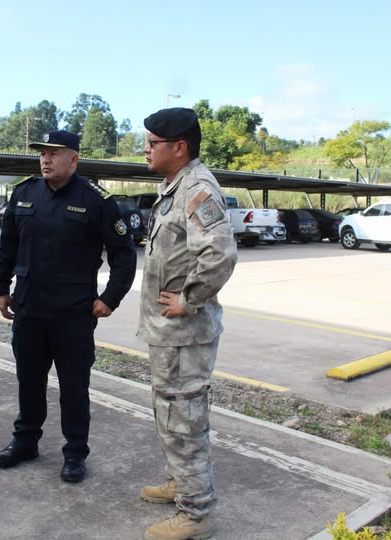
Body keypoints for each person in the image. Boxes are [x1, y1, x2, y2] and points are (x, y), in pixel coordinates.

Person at [0, 129, 137, 483]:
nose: (45, 159)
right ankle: (25, 442)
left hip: (73, 315)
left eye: (54, 153)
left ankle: (75, 454)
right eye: (42, 153)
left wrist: (110, 298)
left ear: (73, 159)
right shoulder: (24, 193)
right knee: (29, 382)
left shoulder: (96, 201)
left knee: (73, 388)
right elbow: (7, 245)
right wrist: (1, 287)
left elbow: (123, 254)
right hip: (29, 311)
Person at [137, 108, 238, 540]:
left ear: (179, 148)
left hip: (185, 335)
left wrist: (189, 298)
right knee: (170, 414)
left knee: (185, 419)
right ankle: (182, 483)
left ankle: (195, 513)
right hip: (168, 335)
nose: (145, 149)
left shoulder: (196, 190)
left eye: (152, 143)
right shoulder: (174, 188)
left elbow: (219, 253)